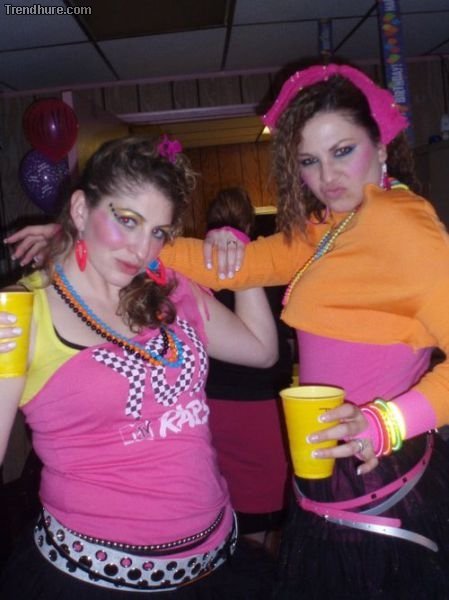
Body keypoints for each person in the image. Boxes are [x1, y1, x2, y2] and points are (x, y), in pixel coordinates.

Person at [8, 62, 449, 598]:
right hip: (329, 477)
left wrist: (388, 422)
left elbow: (257, 336)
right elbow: (245, 266)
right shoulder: (333, 228)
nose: (327, 177)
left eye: (343, 151)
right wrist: (87, 236)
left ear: (380, 148)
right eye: (309, 161)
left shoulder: (406, 228)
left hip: (377, 473)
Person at [0, 136, 279, 599]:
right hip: (93, 578)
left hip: (215, 563)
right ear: (80, 210)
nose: (142, 248)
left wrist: (241, 262)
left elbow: (260, 350)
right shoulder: (22, 311)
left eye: (158, 232)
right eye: (127, 220)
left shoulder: (169, 288)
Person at [204, 187, 291, 551]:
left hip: (215, 404)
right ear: (250, 222)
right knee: (274, 513)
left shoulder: (197, 266)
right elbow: (279, 344)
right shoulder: (268, 265)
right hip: (264, 405)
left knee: (239, 519)